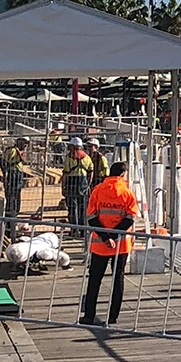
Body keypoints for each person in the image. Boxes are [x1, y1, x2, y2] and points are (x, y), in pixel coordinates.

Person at [80, 161, 138, 326]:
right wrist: (114, 235)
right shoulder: (127, 193)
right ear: (122, 174)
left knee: (94, 280)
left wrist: (105, 237)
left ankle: (89, 315)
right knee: (117, 278)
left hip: (99, 244)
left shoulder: (97, 191)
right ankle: (112, 317)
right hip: (121, 244)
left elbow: (91, 218)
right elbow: (130, 218)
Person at [61, 137, 93, 227]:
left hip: (71, 182)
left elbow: (65, 174)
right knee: (82, 207)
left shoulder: (69, 157)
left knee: (72, 207)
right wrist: (88, 184)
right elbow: (91, 171)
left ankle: (74, 228)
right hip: (83, 182)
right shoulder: (87, 157)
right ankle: (83, 228)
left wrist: (63, 187)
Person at [0, 136, 29, 215]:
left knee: (17, 195)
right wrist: (5, 173)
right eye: (24, 144)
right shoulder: (12, 150)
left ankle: (15, 212)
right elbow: (3, 161)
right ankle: (10, 214)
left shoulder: (19, 151)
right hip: (13, 174)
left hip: (18, 173)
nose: (25, 147)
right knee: (12, 195)